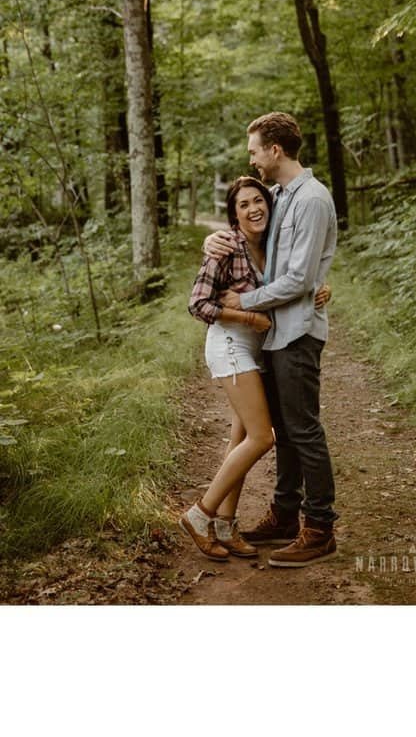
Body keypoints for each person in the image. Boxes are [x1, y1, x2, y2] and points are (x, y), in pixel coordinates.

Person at [203, 111, 339, 568]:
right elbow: (248, 225)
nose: (253, 159)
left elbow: (300, 277)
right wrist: (212, 242)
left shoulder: (312, 199)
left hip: (298, 330)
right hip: (277, 334)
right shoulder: (281, 195)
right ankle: (284, 514)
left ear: (274, 150)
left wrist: (245, 301)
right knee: (285, 432)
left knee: (304, 430)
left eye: (255, 151)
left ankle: (319, 528)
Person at [179, 176, 278, 561]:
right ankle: (199, 514)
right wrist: (249, 319)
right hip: (230, 345)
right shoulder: (224, 246)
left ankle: (225, 524)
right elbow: (198, 305)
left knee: (241, 440)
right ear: (234, 216)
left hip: (255, 349)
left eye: (259, 200)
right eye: (243, 205)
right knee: (262, 437)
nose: (254, 208)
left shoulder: (271, 245)